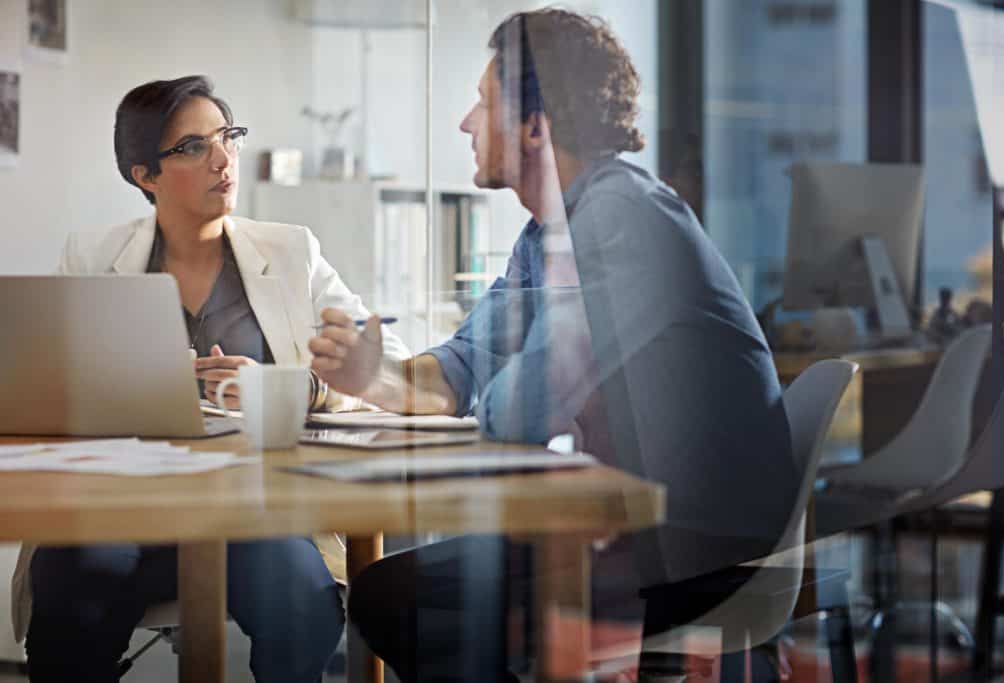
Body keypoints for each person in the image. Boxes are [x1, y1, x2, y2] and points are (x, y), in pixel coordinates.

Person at [309, 9, 796, 681]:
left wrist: (497, 379)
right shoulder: (544, 236)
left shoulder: (624, 218)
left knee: (403, 598)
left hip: (700, 549)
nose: (465, 123)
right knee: (394, 591)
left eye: (484, 103)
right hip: (625, 531)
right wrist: (373, 375)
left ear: (537, 124)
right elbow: (459, 368)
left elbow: (523, 411)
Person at [12, 75, 410, 683]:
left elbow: (391, 367)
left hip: (253, 510)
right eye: (194, 147)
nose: (224, 160)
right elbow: (50, 389)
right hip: (124, 508)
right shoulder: (92, 257)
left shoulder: (293, 253)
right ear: (145, 175)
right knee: (74, 584)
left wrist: (293, 386)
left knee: (301, 600)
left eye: (228, 137)